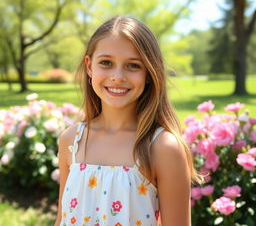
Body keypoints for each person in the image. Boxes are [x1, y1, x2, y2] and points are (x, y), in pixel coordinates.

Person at [54, 16, 203, 226]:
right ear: (89, 67)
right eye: (106, 63)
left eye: (133, 66)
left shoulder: (162, 147)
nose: (117, 76)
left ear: (149, 73)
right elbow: (62, 218)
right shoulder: (71, 140)